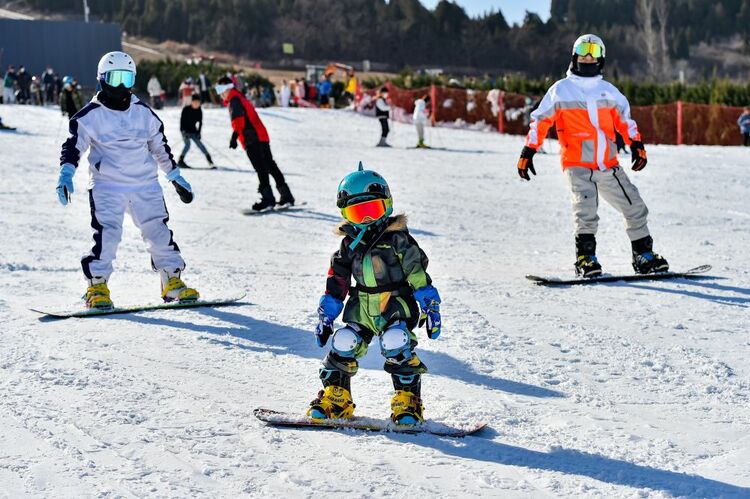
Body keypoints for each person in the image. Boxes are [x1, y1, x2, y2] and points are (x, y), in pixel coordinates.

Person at [516, 34, 668, 278]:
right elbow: (540, 120)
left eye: (593, 52)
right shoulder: (561, 90)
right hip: (576, 164)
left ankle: (643, 255)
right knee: (585, 210)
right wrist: (529, 150)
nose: (588, 56)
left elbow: (625, 121)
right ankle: (586, 258)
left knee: (635, 205)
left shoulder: (608, 92)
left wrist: (636, 144)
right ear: (574, 56)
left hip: (607, 165)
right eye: (583, 51)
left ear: (601, 58)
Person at [56, 51, 199, 309]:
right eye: (115, 77)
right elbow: (73, 146)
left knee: (158, 230)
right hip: (107, 185)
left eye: (127, 78)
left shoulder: (143, 113)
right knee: (107, 233)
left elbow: (160, 147)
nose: (121, 85)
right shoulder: (90, 115)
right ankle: (97, 286)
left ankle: (172, 281)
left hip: (145, 183)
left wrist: (175, 176)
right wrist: (66, 172)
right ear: (102, 79)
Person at [309, 163, 442, 426]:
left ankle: (408, 402)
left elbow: (416, 272)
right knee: (344, 341)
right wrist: (327, 314)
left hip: (394, 303)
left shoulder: (398, 240)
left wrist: (430, 303)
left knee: (396, 341)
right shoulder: (348, 244)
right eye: (359, 213)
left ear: (387, 205)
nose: (367, 220)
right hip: (363, 304)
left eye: (372, 210)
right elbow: (337, 281)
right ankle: (337, 399)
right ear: (346, 214)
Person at [215, 76, 295, 212]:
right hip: (261, 135)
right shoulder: (238, 97)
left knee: (261, 168)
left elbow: (238, 120)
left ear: (227, 88)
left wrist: (234, 137)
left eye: (220, 89)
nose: (220, 93)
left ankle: (268, 199)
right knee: (270, 165)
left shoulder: (234, 100)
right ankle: (286, 196)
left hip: (252, 138)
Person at [178, 94, 214, 168]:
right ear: (191, 102)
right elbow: (182, 122)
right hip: (184, 131)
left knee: (200, 145)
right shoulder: (186, 109)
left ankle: (210, 160)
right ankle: (180, 161)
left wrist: (199, 132)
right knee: (187, 144)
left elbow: (200, 122)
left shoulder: (199, 111)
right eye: (195, 102)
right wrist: (184, 132)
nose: (196, 104)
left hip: (193, 131)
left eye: (198, 102)